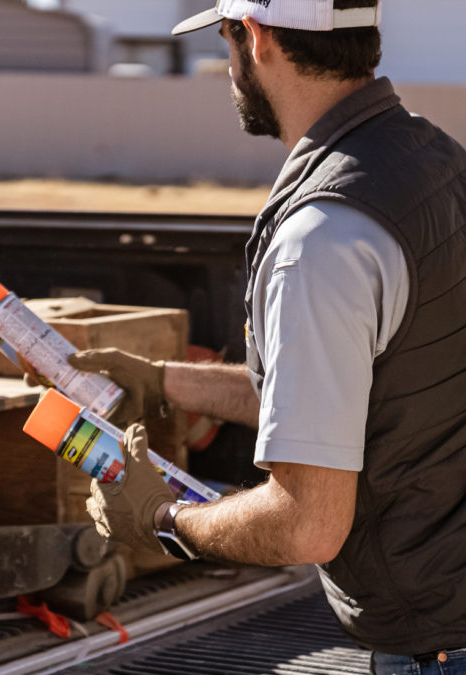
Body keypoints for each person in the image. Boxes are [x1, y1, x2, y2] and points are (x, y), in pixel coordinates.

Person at [71, 1, 466, 673]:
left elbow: (308, 521)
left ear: (253, 39)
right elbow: (357, 393)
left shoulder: (318, 240)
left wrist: (162, 521)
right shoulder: (434, 161)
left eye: (225, 39)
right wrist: (162, 382)